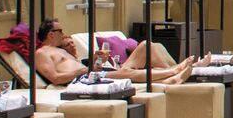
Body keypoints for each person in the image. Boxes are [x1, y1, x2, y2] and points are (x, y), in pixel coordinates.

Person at [30, 21, 198, 87]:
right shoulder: (42, 53)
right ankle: (173, 72)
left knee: (146, 46)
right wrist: (81, 71)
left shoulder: (60, 50)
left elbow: (82, 66)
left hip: (91, 73)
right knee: (127, 73)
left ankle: (171, 78)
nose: (63, 33)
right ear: (51, 34)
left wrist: (97, 61)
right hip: (82, 79)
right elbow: (55, 78)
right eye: (60, 30)